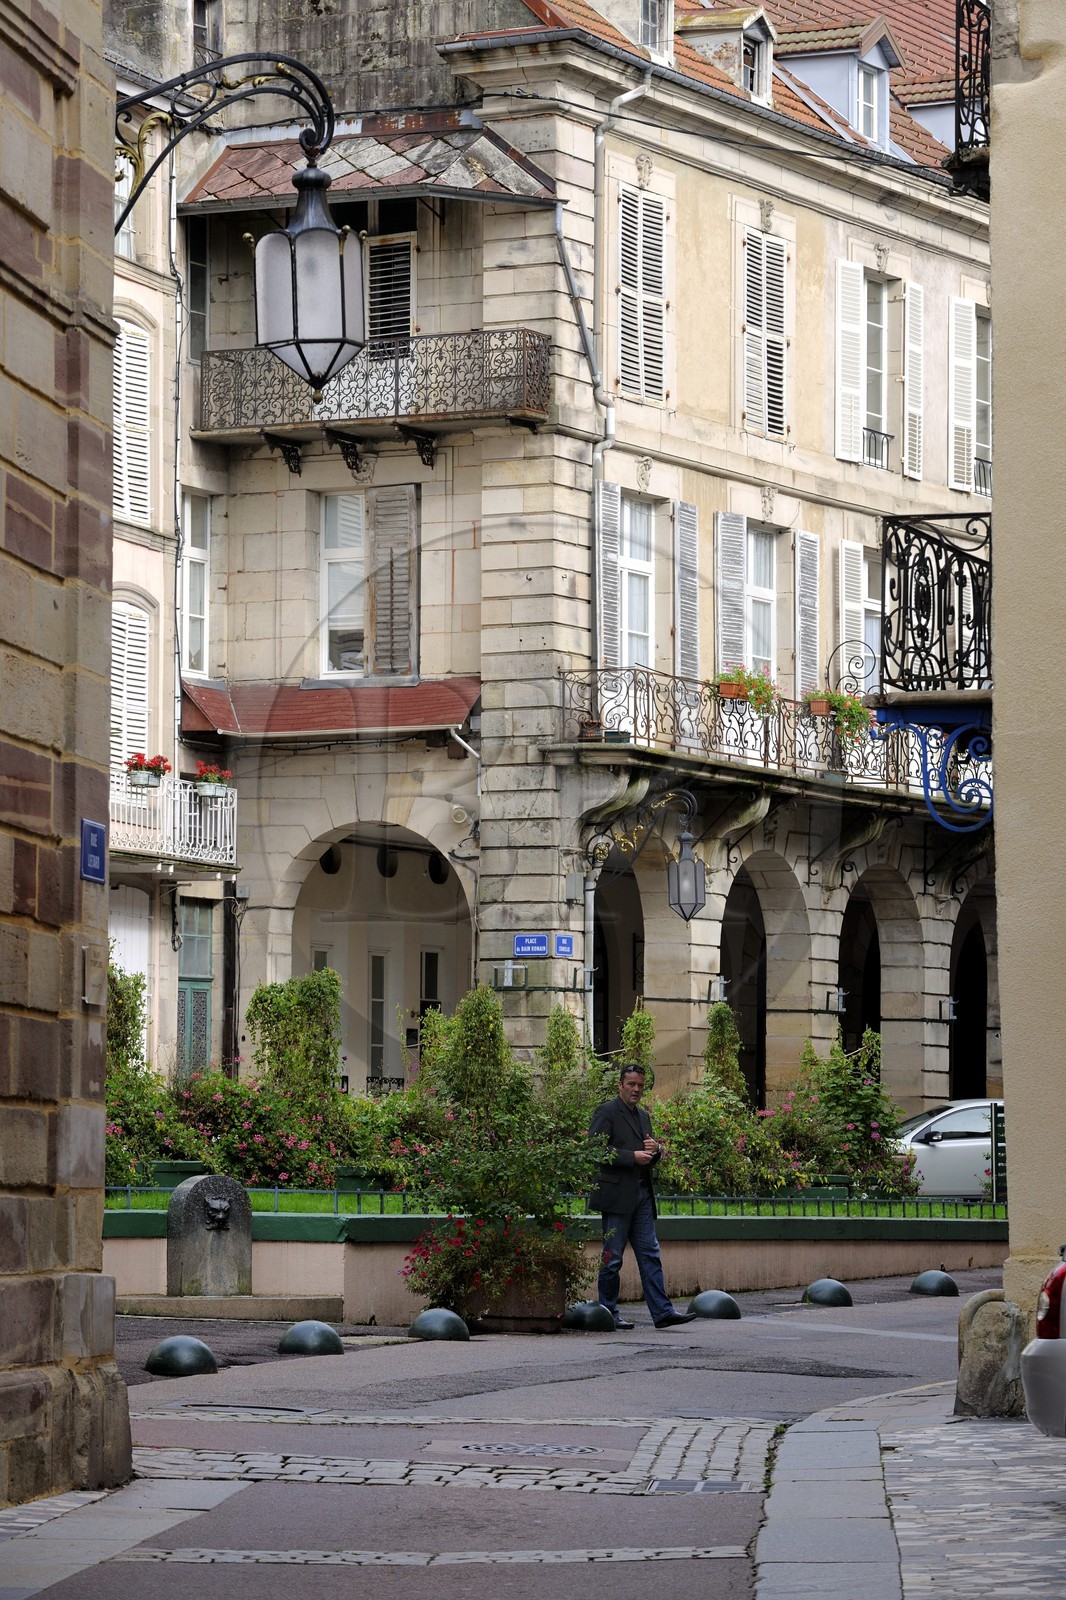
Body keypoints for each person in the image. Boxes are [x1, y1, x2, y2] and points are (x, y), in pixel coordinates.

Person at [588, 1064, 696, 1330]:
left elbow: (648, 1153)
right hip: (616, 1196)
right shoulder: (606, 1111)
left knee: (650, 1254)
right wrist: (630, 1157)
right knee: (612, 1258)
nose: (636, 1089)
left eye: (640, 1085)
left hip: (642, 1195)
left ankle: (662, 1313)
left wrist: (655, 1150)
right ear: (620, 1085)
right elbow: (595, 1150)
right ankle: (608, 1313)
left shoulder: (643, 1116)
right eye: (631, 1084)